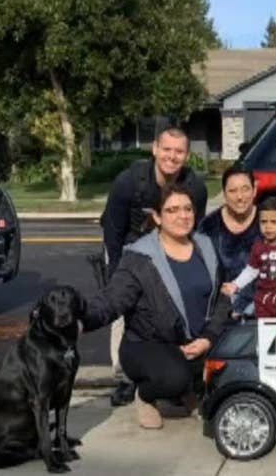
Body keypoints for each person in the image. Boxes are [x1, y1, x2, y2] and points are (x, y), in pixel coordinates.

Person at [83, 183, 230, 429]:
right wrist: (81, 319)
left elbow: (223, 297)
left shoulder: (207, 247)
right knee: (174, 378)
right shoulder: (139, 257)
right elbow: (112, 300)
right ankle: (146, 395)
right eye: (172, 210)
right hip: (147, 344)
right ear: (157, 217)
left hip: (196, 342)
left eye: (187, 209)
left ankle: (187, 389)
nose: (183, 216)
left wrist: (208, 337)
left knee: (230, 372)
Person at [99, 127, 208, 407]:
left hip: (171, 248)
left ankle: (172, 371)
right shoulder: (128, 182)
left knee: (170, 306)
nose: (172, 156)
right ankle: (124, 378)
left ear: (187, 155)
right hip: (127, 249)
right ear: (155, 149)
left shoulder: (195, 186)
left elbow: (193, 226)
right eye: (167, 149)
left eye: (179, 151)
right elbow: (113, 230)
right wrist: (116, 277)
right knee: (124, 311)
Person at [221, 197, 276, 318]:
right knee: (265, 334)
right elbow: (251, 270)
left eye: (274, 222)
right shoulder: (258, 246)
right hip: (263, 303)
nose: (268, 226)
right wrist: (235, 285)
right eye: (263, 222)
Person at [197, 165, 261, 317]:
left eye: (245, 189)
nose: (240, 197)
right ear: (224, 194)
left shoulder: (268, 221)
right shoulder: (208, 226)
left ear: (254, 190)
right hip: (220, 310)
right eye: (232, 191)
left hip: (263, 308)